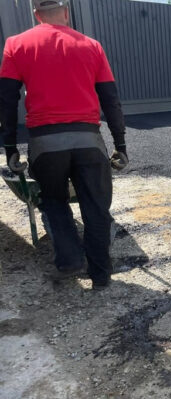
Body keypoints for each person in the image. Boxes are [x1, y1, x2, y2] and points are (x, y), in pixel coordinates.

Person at [0, 0, 128, 290]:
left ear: (36, 14)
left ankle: (69, 260)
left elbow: (7, 101)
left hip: (45, 143)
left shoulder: (16, 44)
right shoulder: (91, 46)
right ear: (66, 11)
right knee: (96, 207)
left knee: (53, 200)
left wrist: (10, 149)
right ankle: (100, 274)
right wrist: (120, 143)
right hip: (88, 140)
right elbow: (110, 99)